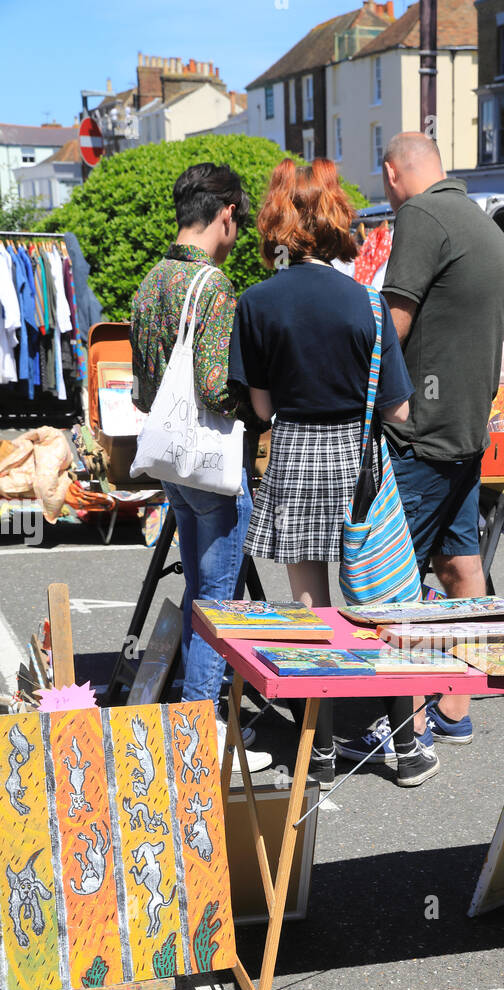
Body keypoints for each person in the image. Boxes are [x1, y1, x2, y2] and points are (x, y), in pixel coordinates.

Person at [228, 158, 429, 789]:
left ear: (279, 220)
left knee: (310, 612)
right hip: (360, 461)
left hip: (295, 454)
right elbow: (397, 408)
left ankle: (316, 750)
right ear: (335, 215)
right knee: (383, 605)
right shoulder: (368, 306)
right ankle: (407, 749)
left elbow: (260, 408)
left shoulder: (256, 304)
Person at [335, 132, 504, 767]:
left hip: (420, 429)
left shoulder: (419, 215)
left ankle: (408, 725)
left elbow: (393, 322)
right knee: (463, 564)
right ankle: (457, 708)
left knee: (393, 578)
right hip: (467, 427)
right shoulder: (487, 226)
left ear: (391, 174)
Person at [131, 162, 271, 773]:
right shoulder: (210, 287)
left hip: (170, 459)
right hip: (212, 462)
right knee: (217, 596)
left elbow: (142, 387)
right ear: (228, 214)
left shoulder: (150, 281)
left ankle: (187, 720)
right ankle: (198, 735)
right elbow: (216, 389)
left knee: (196, 583)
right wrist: (256, 405)